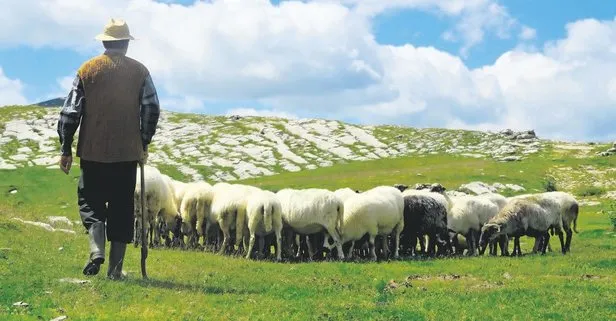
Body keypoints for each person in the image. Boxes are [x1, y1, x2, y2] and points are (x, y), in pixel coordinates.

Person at [57, 18, 160, 280]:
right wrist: (143, 141)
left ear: (104, 41)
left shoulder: (87, 70)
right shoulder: (140, 72)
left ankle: (96, 249)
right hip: (126, 154)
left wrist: (66, 148)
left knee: (89, 201)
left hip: (92, 152)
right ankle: (115, 270)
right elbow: (151, 108)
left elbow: (70, 111)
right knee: (122, 207)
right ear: (126, 44)